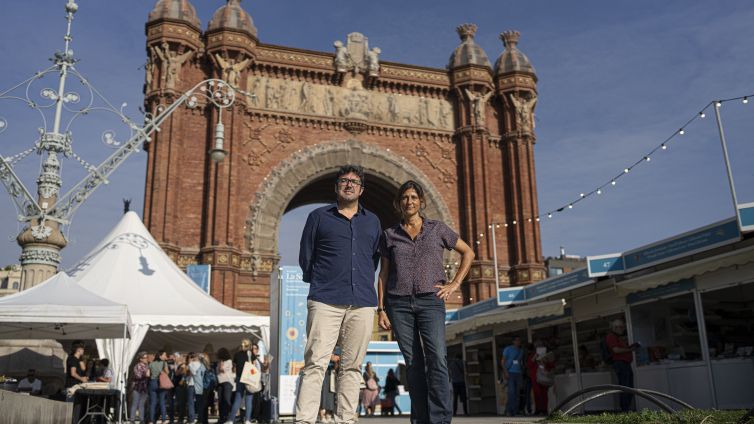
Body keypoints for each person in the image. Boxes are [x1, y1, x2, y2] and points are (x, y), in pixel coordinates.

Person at [377, 180, 474, 424]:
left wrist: (455, 283)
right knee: (413, 364)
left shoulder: (437, 229)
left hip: (430, 301)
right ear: (399, 203)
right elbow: (383, 275)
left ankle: (440, 419)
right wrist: (381, 309)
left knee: (438, 359)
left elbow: (468, 252)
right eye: (404, 198)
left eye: (413, 197)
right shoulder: (390, 235)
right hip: (398, 305)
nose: (409, 201)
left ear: (421, 201)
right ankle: (420, 420)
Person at [295, 165, 382, 424]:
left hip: (362, 302)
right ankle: (304, 420)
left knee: (352, 366)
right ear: (336, 187)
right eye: (344, 181)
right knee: (315, 364)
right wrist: (323, 281)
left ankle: (346, 419)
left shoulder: (373, 221)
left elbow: (374, 259)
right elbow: (306, 256)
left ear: (361, 189)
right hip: (325, 299)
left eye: (354, 182)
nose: (348, 185)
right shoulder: (318, 217)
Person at [606, 319, 639, 412]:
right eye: (621, 327)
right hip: (621, 364)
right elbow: (616, 350)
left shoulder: (617, 337)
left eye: (622, 327)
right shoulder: (611, 336)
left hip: (625, 364)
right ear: (615, 328)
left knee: (628, 387)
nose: (622, 329)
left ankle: (626, 409)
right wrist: (630, 350)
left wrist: (629, 348)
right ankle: (625, 410)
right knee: (626, 387)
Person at [225, 339, 255, 424]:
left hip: (239, 378)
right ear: (249, 346)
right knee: (249, 399)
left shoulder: (237, 355)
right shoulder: (251, 354)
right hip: (249, 378)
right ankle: (248, 420)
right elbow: (253, 366)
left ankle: (231, 420)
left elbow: (234, 368)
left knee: (238, 399)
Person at [501, 336, 525, 416]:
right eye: (517, 340)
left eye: (519, 340)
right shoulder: (508, 349)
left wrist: (522, 372)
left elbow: (520, 362)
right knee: (511, 392)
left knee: (517, 393)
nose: (519, 342)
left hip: (518, 373)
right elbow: (503, 361)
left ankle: (515, 410)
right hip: (510, 372)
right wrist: (505, 372)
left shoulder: (521, 351)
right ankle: (509, 410)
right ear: (513, 341)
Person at [149, 350, 169, 424]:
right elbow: (167, 372)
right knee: (162, 402)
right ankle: (163, 420)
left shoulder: (151, 363)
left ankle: (151, 420)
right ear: (160, 356)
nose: (165, 356)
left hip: (153, 382)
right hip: (161, 382)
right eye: (164, 355)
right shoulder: (164, 363)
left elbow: (148, 374)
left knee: (153, 403)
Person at [130, 352, 151, 424]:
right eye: (145, 358)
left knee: (142, 405)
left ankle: (142, 420)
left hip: (144, 388)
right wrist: (146, 373)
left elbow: (148, 376)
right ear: (141, 359)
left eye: (147, 357)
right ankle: (132, 420)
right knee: (135, 404)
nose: (147, 359)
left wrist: (147, 371)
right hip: (137, 388)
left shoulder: (146, 366)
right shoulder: (137, 366)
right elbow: (138, 376)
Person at [216, 347, 234, 424]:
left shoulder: (229, 361)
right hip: (220, 383)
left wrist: (222, 362)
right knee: (220, 401)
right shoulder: (218, 362)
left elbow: (222, 369)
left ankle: (228, 418)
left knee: (227, 400)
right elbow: (217, 372)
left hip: (227, 382)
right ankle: (221, 418)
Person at [188, 353, 207, 424]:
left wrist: (190, 364)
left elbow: (193, 372)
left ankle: (192, 420)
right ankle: (200, 419)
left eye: (193, 357)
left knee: (191, 403)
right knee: (199, 403)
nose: (192, 358)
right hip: (199, 385)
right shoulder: (202, 365)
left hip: (192, 384)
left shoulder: (192, 364)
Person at [319, 355, 338, 423]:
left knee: (331, 397)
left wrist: (336, 361)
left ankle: (328, 415)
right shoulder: (325, 351)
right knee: (323, 397)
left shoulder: (336, 353)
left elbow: (336, 367)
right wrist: (330, 357)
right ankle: (322, 416)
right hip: (324, 375)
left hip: (331, 377)